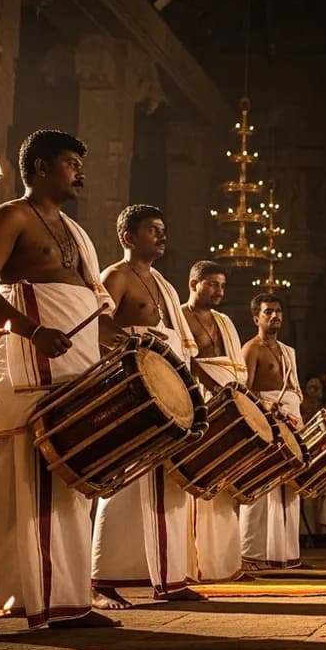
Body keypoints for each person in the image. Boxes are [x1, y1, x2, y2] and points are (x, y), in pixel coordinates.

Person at [0, 129, 124, 628]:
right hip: (31, 363)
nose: (80, 172)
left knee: (71, 482)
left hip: (74, 366)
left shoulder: (74, 230)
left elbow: (91, 303)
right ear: (40, 168)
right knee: (14, 478)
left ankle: (69, 600)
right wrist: (33, 331)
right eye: (71, 163)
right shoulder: (10, 216)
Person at [90, 205, 205, 608]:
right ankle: (102, 581)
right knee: (123, 482)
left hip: (168, 388)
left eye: (162, 229)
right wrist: (137, 353)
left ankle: (169, 576)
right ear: (128, 237)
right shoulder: (116, 276)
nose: (161, 236)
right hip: (133, 387)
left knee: (167, 486)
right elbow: (98, 324)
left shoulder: (165, 285)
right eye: (152, 230)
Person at [180, 260, 245, 582]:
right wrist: (217, 388)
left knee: (225, 488)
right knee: (198, 485)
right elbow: (182, 362)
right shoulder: (178, 317)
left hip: (228, 403)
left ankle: (226, 564)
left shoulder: (224, 321)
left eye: (222, 285)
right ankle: (195, 566)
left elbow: (234, 367)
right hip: (199, 405)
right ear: (194, 284)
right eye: (212, 284)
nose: (219, 291)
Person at [241, 293, 304, 570]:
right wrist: (267, 407)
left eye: (278, 311)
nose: (274, 316)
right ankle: (252, 554)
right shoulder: (251, 349)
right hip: (264, 420)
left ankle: (285, 555)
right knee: (261, 484)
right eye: (268, 312)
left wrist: (293, 413)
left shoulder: (288, 351)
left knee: (289, 487)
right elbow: (244, 390)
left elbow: (294, 389)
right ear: (257, 318)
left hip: (291, 420)